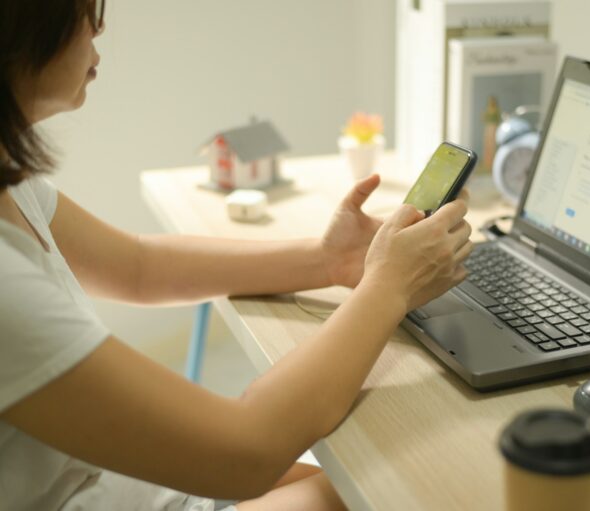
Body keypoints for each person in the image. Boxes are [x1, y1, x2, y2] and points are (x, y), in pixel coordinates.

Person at [0, 1, 473, 510]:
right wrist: (388, 288)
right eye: (80, 9)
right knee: (382, 486)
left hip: (97, 483)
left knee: (359, 475)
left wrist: (328, 261)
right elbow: (247, 450)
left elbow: (139, 267)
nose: (99, 25)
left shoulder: (12, 183)